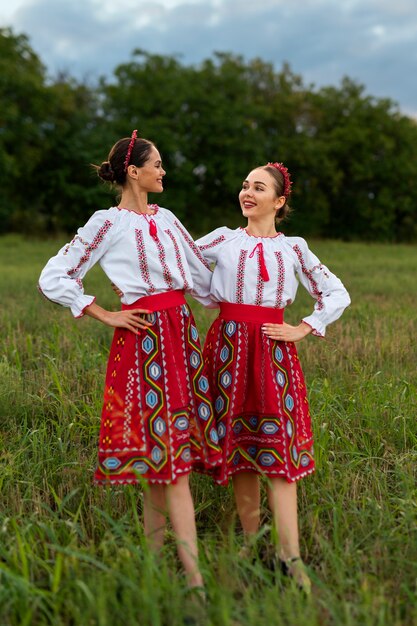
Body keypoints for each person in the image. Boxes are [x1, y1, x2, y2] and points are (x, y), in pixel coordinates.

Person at [38, 130, 222, 593]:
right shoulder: (107, 223)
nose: (164, 171)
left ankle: (153, 569)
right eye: (157, 164)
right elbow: (54, 274)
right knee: (169, 461)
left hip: (181, 332)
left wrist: (250, 264)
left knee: (165, 462)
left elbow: (202, 278)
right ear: (133, 172)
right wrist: (103, 312)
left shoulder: (171, 219)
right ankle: (197, 583)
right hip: (143, 341)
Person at [196, 162, 351, 592]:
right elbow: (177, 259)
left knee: (278, 451)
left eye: (258, 188)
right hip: (227, 348)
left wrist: (302, 327)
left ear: (279, 201)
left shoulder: (295, 248)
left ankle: (290, 555)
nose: (247, 193)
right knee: (242, 449)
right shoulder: (223, 239)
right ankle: (251, 543)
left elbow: (336, 292)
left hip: (273, 349)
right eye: (244, 185)